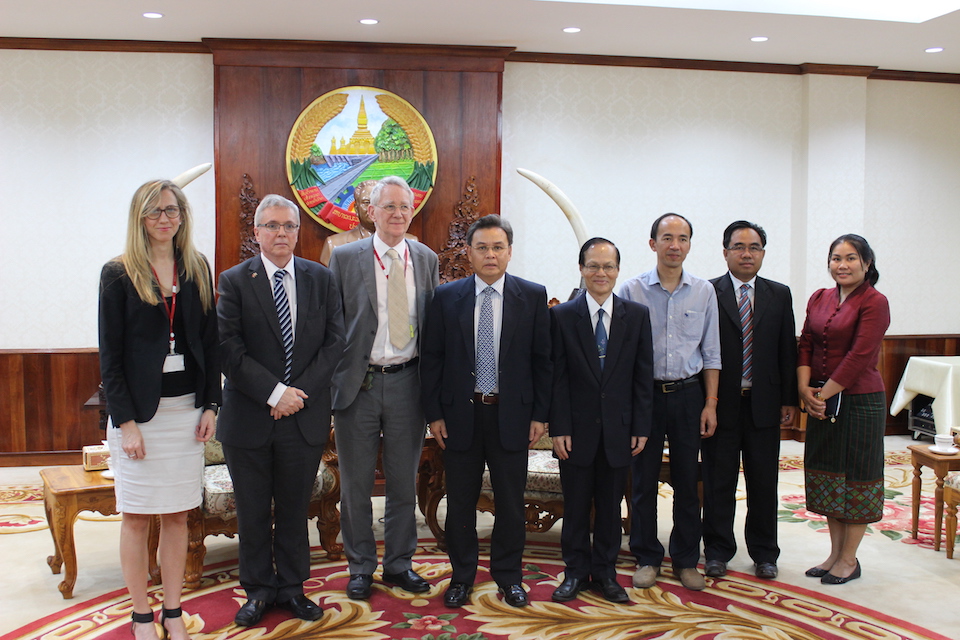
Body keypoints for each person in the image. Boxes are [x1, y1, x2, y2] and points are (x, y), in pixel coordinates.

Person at [99, 179, 220, 640]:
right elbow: (109, 357)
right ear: (140, 218)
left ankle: (172, 610)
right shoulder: (117, 273)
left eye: (172, 210)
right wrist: (126, 422)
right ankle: (140, 615)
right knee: (136, 517)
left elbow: (208, 343)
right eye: (155, 212)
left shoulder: (195, 267)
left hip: (186, 412)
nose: (165, 219)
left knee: (177, 516)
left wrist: (211, 404)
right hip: (140, 420)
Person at [217, 194, 345, 626]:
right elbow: (228, 350)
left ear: (298, 232)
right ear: (256, 233)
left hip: (303, 417)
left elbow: (334, 343)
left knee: (294, 510)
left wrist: (296, 395)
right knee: (252, 511)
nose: (281, 234)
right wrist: (274, 393)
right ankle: (257, 591)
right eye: (271, 226)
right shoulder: (234, 281)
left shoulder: (320, 278)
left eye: (289, 226)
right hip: (249, 419)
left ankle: (292, 589)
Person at [421, 214, 552, 609]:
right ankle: (461, 576)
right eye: (482, 247)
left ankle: (509, 576)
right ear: (469, 252)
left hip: (511, 416)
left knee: (511, 503)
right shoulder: (447, 297)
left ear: (510, 252)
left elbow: (543, 361)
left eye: (498, 247)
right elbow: (433, 360)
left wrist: (540, 416)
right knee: (460, 501)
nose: (490, 255)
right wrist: (434, 414)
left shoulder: (531, 296)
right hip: (460, 417)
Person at [329, 176, 439, 600]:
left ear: (412, 212)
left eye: (404, 207)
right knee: (355, 485)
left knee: (402, 482)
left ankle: (398, 565)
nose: (397, 214)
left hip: (408, 384)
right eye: (388, 206)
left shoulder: (426, 258)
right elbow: (332, 325)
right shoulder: (345, 258)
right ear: (370, 212)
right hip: (359, 384)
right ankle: (360, 567)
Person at [618, 213, 721, 592]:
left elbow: (711, 353)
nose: (674, 245)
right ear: (653, 244)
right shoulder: (631, 290)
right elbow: (622, 356)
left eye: (682, 238)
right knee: (643, 481)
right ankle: (646, 556)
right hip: (644, 396)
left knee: (686, 481)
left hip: (689, 395)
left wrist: (710, 403)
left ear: (689, 245)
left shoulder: (703, 291)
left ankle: (684, 559)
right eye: (667, 238)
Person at [549, 238, 653, 604]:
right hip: (574, 432)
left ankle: (607, 574)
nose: (601, 273)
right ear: (581, 268)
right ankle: (575, 572)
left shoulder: (636, 316)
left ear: (618, 270)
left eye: (608, 266)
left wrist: (641, 426)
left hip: (620, 431)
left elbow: (643, 377)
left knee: (611, 507)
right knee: (575, 506)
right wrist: (558, 427)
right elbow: (557, 378)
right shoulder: (562, 316)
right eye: (593, 265)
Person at [703, 221, 797, 581]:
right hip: (720, 404)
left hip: (764, 405)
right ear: (725, 251)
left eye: (754, 247)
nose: (747, 253)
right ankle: (717, 550)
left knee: (763, 483)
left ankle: (764, 553)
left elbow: (787, 349)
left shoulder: (779, 294)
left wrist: (789, 399)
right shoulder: (707, 291)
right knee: (718, 482)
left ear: (762, 253)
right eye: (739, 246)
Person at [797, 234, 889, 585]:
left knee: (856, 480)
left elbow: (860, 356)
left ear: (867, 264)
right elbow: (805, 343)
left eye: (851, 258)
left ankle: (849, 559)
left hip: (859, 402)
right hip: (822, 400)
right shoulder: (820, 298)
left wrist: (822, 394)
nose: (843, 265)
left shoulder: (875, 302)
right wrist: (805, 390)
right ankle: (834, 554)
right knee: (829, 477)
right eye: (836, 258)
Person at [319, 179, 418, 266]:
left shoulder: (412, 243)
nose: (372, 209)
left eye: (378, 203)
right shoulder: (334, 245)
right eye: (366, 203)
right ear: (356, 208)